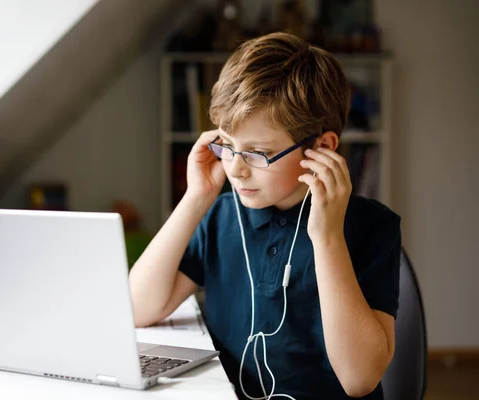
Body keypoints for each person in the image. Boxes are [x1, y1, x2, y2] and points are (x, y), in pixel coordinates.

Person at [129, 32, 400, 400]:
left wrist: (327, 238)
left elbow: (359, 379)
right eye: (226, 145)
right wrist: (196, 198)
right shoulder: (221, 216)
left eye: (258, 152)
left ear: (322, 148)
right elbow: (137, 309)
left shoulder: (371, 227)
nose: (236, 170)